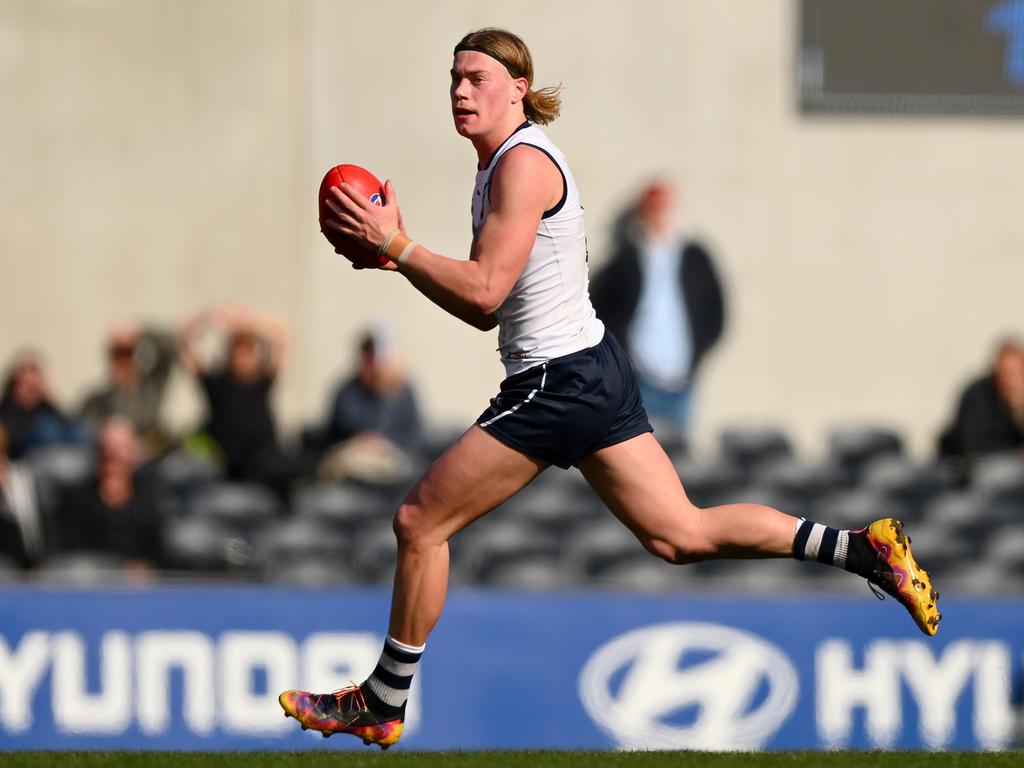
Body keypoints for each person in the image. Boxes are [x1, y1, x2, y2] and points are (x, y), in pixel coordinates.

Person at [278, 28, 941, 749]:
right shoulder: (502, 163)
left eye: (477, 77)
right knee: (679, 533)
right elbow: (483, 298)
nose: (461, 90)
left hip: (558, 380)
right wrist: (398, 254)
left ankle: (383, 700)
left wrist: (398, 246)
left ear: (518, 89)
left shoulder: (522, 166)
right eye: (454, 79)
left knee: (418, 523)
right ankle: (861, 549)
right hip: (592, 367)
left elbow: (485, 298)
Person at [590, 180, 725, 444]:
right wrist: (623, 359)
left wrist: (698, 353)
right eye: (652, 211)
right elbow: (601, 311)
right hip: (640, 375)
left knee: (679, 451)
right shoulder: (625, 258)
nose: (659, 218)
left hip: (683, 374)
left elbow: (715, 311)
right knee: (641, 446)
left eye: (663, 210)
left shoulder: (695, 257)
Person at [178, 305, 302, 496]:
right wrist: (211, 316)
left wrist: (249, 321)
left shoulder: (263, 381)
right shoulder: (216, 382)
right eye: (238, 350)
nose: (244, 358)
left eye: (249, 351)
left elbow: (283, 333)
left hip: (265, 464)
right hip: (228, 466)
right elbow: (183, 337)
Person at [309, 324, 425, 484]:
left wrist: (387, 394)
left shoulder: (403, 391)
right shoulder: (347, 390)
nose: (372, 364)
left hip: (392, 468)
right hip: (352, 467)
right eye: (368, 357)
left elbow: (414, 439)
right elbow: (345, 429)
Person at [55, 417, 163, 570]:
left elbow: (158, 550)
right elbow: (70, 551)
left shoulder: (150, 497)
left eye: (120, 449)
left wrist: (144, 566)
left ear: (134, 454)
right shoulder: (76, 498)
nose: (112, 455)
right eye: (107, 448)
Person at [79, 322, 177, 457]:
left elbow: (170, 347)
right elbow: (83, 430)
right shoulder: (97, 399)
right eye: (117, 355)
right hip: (112, 461)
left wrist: (139, 333)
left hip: (150, 460)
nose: (123, 362)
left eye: (127, 354)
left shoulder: (151, 387)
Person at [939, 339, 1024, 470]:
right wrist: (1013, 454)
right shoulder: (977, 394)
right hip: (966, 466)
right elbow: (971, 445)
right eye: (1007, 373)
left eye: (1017, 373)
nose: (1011, 380)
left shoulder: (1018, 400)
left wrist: (1019, 414)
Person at [0, 352, 84, 460]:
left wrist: (53, 399)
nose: (31, 378)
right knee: (45, 429)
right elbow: (11, 441)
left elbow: (77, 435)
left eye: (35, 373)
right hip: (27, 462)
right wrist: (22, 404)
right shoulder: (7, 410)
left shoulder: (48, 408)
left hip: (62, 460)